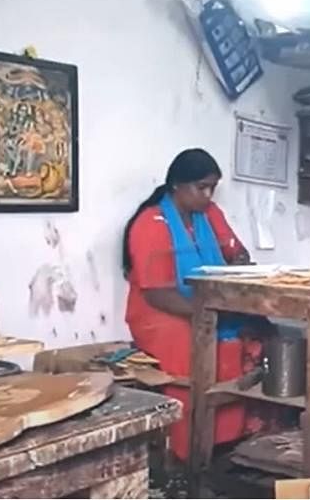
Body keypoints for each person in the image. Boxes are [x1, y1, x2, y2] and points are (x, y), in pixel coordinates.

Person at [122, 148, 265, 461]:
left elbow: (235, 253)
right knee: (193, 347)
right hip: (160, 313)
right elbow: (157, 294)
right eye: (202, 187)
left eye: (212, 187)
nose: (208, 195)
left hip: (207, 306)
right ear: (177, 185)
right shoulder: (152, 222)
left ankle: (230, 441)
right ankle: (188, 453)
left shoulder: (209, 214)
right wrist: (209, 313)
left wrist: (238, 261)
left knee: (261, 331)